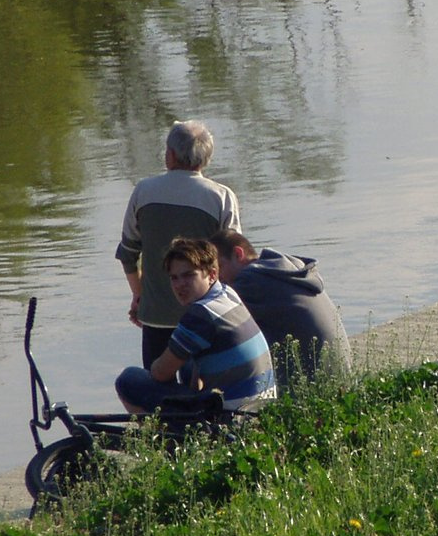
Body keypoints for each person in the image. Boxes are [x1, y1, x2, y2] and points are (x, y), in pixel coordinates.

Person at [117, 120, 241, 369]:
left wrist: (141, 296)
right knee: (204, 390)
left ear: (170, 155)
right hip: (206, 317)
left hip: (156, 317)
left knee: (156, 390)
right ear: (206, 158)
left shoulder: (143, 192)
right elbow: (232, 263)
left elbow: (128, 255)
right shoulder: (222, 197)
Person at [115, 238, 276, 413]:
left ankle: (163, 436)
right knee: (187, 360)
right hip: (262, 412)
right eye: (174, 278)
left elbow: (160, 373)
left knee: (129, 380)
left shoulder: (201, 314)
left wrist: (158, 366)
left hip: (232, 418)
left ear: (212, 274)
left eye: (189, 275)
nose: (179, 285)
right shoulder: (227, 294)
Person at [209, 229, 351, 390]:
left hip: (313, 391)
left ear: (238, 254)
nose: (216, 278)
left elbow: (211, 325)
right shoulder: (285, 272)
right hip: (341, 380)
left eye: (219, 266)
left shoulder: (251, 280)